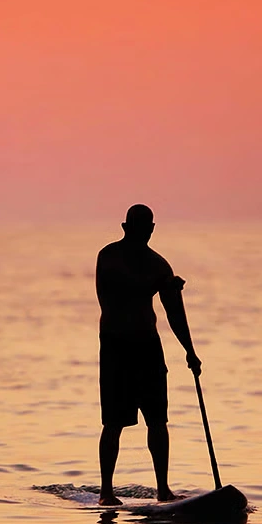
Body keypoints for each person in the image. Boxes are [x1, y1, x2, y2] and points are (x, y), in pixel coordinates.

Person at [96, 204, 201, 506]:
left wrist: (190, 351)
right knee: (113, 423)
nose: (143, 233)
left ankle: (163, 489)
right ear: (125, 228)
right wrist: (160, 285)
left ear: (152, 230)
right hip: (116, 347)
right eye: (137, 227)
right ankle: (106, 492)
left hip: (148, 348)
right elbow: (118, 291)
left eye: (147, 228)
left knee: (158, 420)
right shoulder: (109, 256)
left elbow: (174, 312)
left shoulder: (159, 266)